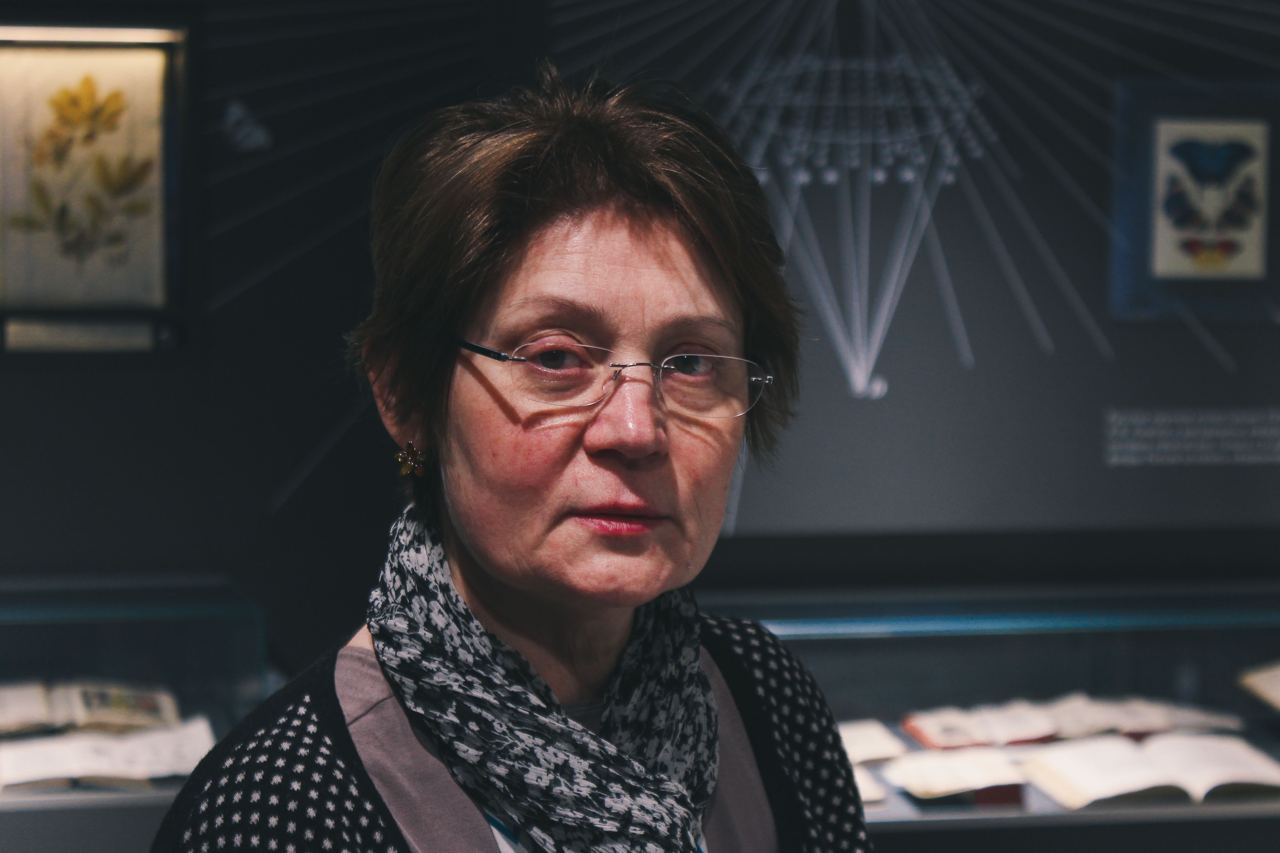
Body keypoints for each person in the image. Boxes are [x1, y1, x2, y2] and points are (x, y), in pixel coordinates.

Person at [154, 66, 872, 853]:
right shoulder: (282, 810)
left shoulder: (765, 702)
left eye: (693, 362)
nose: (636, 428)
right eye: (556, 357)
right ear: (406, 396)